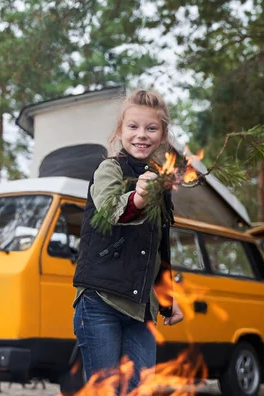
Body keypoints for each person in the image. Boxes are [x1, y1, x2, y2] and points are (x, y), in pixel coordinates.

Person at [72, 90, 184, 393]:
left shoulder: (159, 182)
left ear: (162, 136)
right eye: (133, 127)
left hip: (141, 308)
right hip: (100, 302)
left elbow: (159, 249)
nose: (141, 135)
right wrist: (137, 197)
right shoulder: (109, 169)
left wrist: (167, 301)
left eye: (151, 128)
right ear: (120, 131)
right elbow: (109, 211)